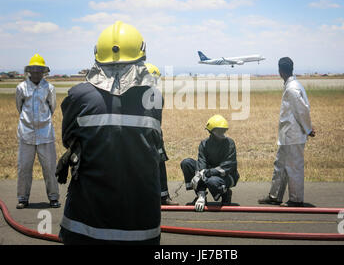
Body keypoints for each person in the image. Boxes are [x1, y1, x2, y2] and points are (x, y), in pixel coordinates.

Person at [57, 21, 162, 245]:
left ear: (97, 56)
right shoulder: (154, 97)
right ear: (141, 56)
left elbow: (68, 137)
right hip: (140, 222)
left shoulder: (78, 96)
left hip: (85, 223)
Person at [258, 57, 315, 207]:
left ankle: (296, 200)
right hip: (287, 136)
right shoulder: (291, 85)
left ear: (280, 70)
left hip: (293, 136)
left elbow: (302, 110)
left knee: (293, 167)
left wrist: (308, 129)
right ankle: (275, 196)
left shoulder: (292, 88)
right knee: (280, 166)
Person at [15, 54, 60, 209]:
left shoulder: (49, 88)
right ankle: (22, 198)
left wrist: (42, 121)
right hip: (26, 133)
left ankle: (54, 197)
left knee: (50, 167)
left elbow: (52, 107)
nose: (36, 73)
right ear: (29, 71)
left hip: (45, 133)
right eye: (33, 70)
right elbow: (19, 107)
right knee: (24, 167)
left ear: (43, 72)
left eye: (39, 70)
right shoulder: (21, 88)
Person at [180, 115, 239, 212]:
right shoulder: (204, 143)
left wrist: (208, 172)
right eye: (219, 131)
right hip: (209, 173)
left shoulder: (229, 143)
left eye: (223, 130)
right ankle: (201, 196)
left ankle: (226, 194)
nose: (222, 133)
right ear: (210, 131)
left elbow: (228, 166)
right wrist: (199, 175)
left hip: (227, 176)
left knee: (212, 181)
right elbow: (201, 162)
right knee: (186, 163)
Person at [144, 63, 178, 206]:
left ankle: (161, 196)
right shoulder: (156, 95)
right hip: (154, 135)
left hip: (149, 135)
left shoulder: (152, 95)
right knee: (159, 165)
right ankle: (162, 196)